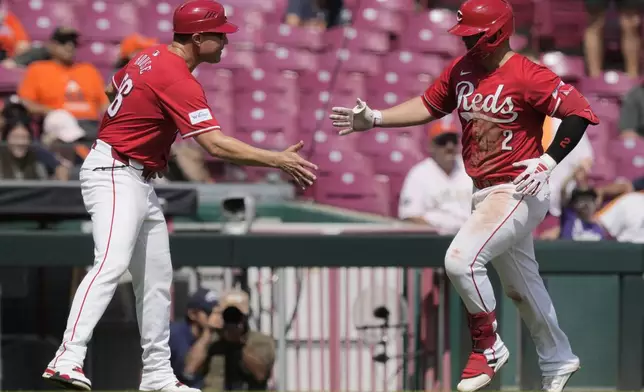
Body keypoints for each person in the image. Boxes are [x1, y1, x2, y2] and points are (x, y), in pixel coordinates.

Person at [42, 1, 316, 391]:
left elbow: (112, 87)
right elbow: (215, 146)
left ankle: (157, 374)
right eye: (219, 34)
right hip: (116, 171)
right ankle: (67, 355)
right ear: (198, 37)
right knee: (111, 262)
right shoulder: (177, 78)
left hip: (133, 171)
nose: (225, 41)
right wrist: (277, 159)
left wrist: (145, 140)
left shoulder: (150, 54)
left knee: (156, 277)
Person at [329, 1, 599, 391]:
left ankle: (487, 347)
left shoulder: (527, 73)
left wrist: (548, 161)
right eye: (466, 35)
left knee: (460, 261)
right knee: (521, 287)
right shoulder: (464, 69)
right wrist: (375, 118)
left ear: (498, 33)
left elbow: (580, 112)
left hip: (517, 189)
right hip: (484, 190)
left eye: (476, 35)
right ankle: (558, 357)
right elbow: (428, 104)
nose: (469, 41)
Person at [170, 289, 275, 391]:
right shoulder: (211, 340)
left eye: (237, 315)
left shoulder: (261, 341)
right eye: (227, 314)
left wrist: (238, 342)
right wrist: (208, 332)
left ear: (246, 317)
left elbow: (260, 374)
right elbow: (189, 369)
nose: (232, 318)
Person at [398, 117, 473, 234]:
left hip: (471, 236)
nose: (449, 146)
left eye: (453, 141)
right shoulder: (419, 173)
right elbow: (410, 216)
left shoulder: (470, 168)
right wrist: (438, 232)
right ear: (431, 146)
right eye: (443, 141)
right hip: (435, 239)